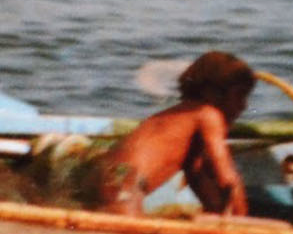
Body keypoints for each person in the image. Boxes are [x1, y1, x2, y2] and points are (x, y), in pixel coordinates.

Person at [95, 51, 254, 217]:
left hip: (108, 177)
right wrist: (242, 220)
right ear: (213, 93)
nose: (243, 105)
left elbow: (198, 180)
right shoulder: (208, 115)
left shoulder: (178, 117)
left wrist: (217, 212)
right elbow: (228, 179)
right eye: (239, 95)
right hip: (127, 186)